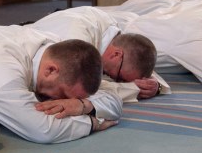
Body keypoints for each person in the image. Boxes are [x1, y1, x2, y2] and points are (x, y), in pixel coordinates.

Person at [0, 26, 117, 143]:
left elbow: (114, 99)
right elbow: (43, 130)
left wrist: (83, 105)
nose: (64, 103)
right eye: (63, 95)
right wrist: (93, 123)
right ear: (51, 70)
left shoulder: (54, 52)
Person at [32, 6, 169, 98]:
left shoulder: (112, 33)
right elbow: (85, 89)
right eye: (119, 78)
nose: (116, 81)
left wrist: (156, 86)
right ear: (116, 54)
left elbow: (137, 63)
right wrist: (134, 90)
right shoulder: (77, 41)